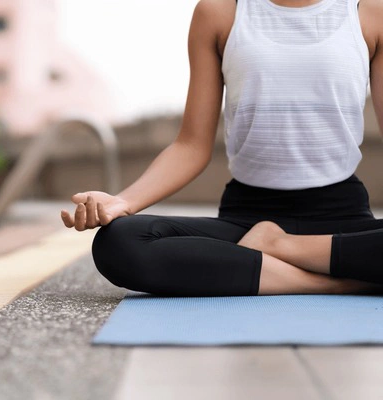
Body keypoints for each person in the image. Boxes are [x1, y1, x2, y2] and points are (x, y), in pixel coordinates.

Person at [61, 0, 383, 296]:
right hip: (245, 221)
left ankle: (281, 249)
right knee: (119, 242)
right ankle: (339, 281)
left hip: (342, 218)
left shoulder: (370, 13)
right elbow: (191, 145)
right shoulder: (219, 13)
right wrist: (123, 202)